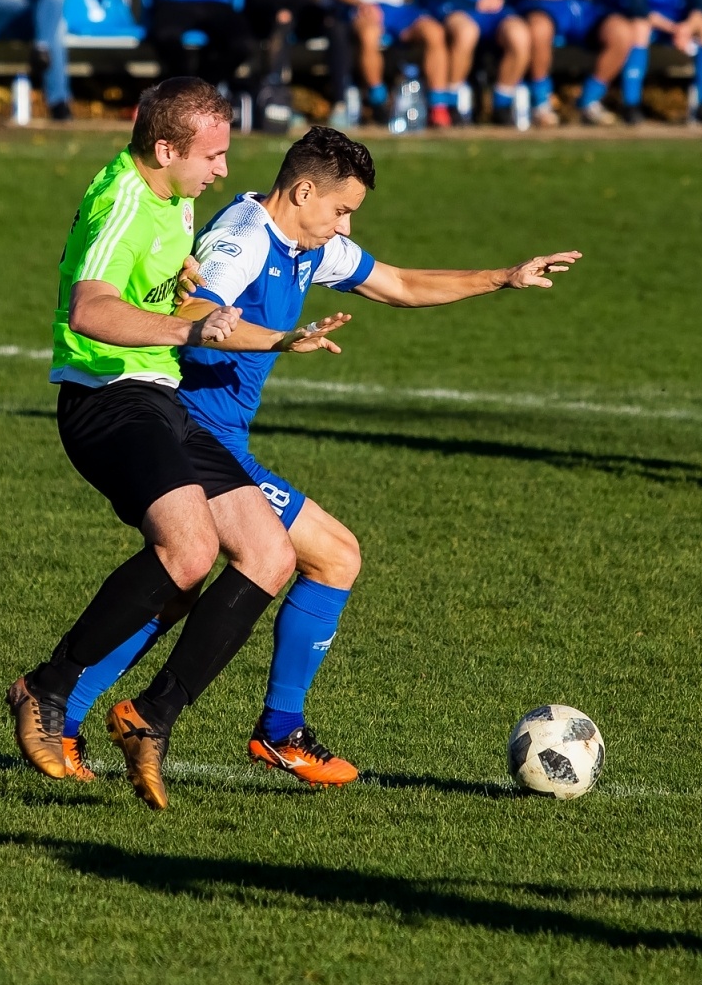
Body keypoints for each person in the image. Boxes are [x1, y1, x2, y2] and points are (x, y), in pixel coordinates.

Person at [55, 127, 583, 786]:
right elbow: (194, 314)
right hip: (189, 432)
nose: (346, 224)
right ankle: (230, 726)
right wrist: (280, 339)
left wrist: (503, 277)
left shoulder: (308, 244)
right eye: (341, 209)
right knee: (317, 555)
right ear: (304, 191)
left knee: (206, 579)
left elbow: (399, 284)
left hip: (223, 440)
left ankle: (106, 715)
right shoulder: (242, 239)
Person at [8, 78, 351, 810]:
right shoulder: (123, 201)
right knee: (189, 551)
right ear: (165, 148)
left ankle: (151, 717)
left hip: (160, 402)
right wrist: (186, 326)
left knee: (270, 554)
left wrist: (236, 310)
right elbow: (91, 309)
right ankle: (46, 687)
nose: (225, 170)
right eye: (214, 154)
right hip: (108, 400)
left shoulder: (171, 192)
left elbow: (172, 277)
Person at [325, 0, 456, 127]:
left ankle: (438, 107)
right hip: (360, 6)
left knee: (434, 32)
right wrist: (361, 4)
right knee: (369, 35)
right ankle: (379, 100)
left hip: (395, 7)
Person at [515, 0, 633, 126]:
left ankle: (589, 101)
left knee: (622, 32)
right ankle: (541, 103)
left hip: (585, 10)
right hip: (546, 7)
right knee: (538, 29)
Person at [424, 0, 532, 124]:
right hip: (453, 6)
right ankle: (453, 102)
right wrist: (473, 4)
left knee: (520, 34)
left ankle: (502, 104)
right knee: (467, 32)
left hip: (494, 10)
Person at [139, 0, 257, 96]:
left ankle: (197, 89)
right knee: (166, 37)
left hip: (215, 1)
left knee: (243, 44)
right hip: (170, 1)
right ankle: (186, 89)